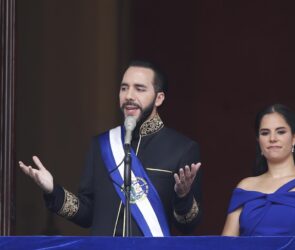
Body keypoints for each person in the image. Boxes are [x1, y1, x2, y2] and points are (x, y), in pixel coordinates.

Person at [19, 60, 202, 236]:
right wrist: (53, 191)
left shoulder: (182, 149)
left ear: (159, 98)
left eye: (139, 88)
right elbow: (87, 214)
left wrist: (183, 197)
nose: (129, 95)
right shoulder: (102, 145)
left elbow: (188, 226)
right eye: (124, 88)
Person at [222, 104, 295, 236]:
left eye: (281, 131)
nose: (272, 139)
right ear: (258, 140)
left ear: (294, 137)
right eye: (265, 133)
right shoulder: (245, 187)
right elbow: (226, 243)